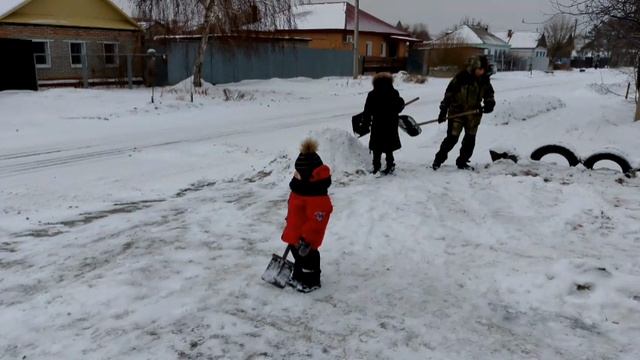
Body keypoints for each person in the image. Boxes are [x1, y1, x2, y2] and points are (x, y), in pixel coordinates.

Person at [281, 138, 333, 293]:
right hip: (296, 233)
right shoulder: (301, 190)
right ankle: (298, 276)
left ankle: (311, 281)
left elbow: (317, 222)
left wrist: (307, 239)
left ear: (308, 176)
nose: (295, 175)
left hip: (306, 240)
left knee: (309, 260)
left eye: (298, 173)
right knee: (298, 258)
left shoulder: (316, 197)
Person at [432, 55, 495, 170]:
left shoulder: (484, 80)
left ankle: (462, 161)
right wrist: (443, 111)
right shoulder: (461, 78)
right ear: (474, 68)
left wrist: (489, 104)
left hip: (474, 114)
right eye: (479, 69)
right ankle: (438, 159)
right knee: (452, 138)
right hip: (457, 113)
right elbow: (449, 94)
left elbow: (489, 95)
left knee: (470, 140)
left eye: (483, 70)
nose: (481, 72)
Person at [362, 73, 405, 174]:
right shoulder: (394, 93)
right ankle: (390, 164)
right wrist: (401, 102)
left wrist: (365, 124)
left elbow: (367, 111)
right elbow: (399, 108)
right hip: (391, 123)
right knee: (389, 146)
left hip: (378, 123)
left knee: (377, 146)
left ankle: (376, 166)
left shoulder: (372, 94)